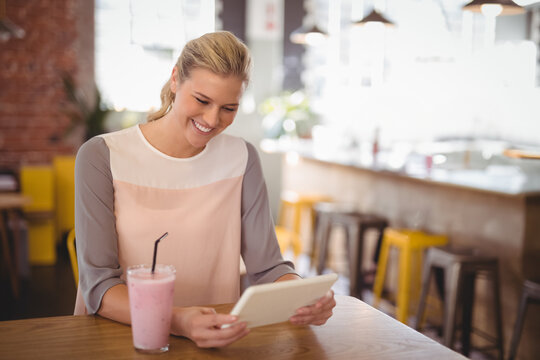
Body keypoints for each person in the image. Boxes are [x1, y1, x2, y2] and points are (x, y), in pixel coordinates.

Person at [73, 31, 336, 348]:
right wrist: (178, 319)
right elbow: (98, 285)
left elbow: (268, 268)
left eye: (229, 107)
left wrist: (302, 296)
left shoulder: (242, 159)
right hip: (122, 338)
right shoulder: (103, 156)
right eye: (201, 100)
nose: (212, 120)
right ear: (174, 80)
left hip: (216, 342)